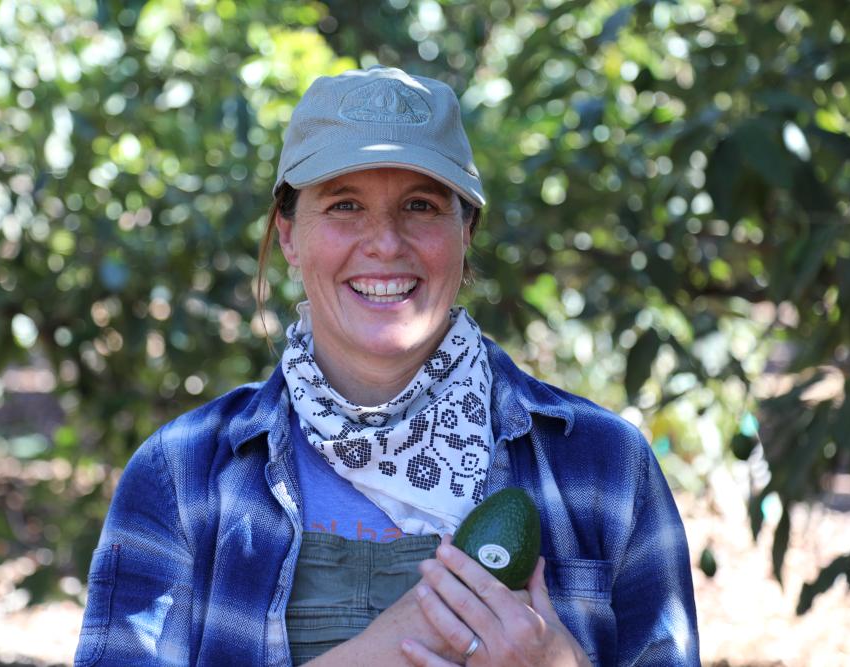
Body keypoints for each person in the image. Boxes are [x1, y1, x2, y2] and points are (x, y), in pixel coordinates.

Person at [74, 66, 699, 667]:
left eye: (421, 206)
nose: (385, 243)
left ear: (466, 230)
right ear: (289, 234)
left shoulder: (604, 467)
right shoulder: (183, 476)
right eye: (345, 205)